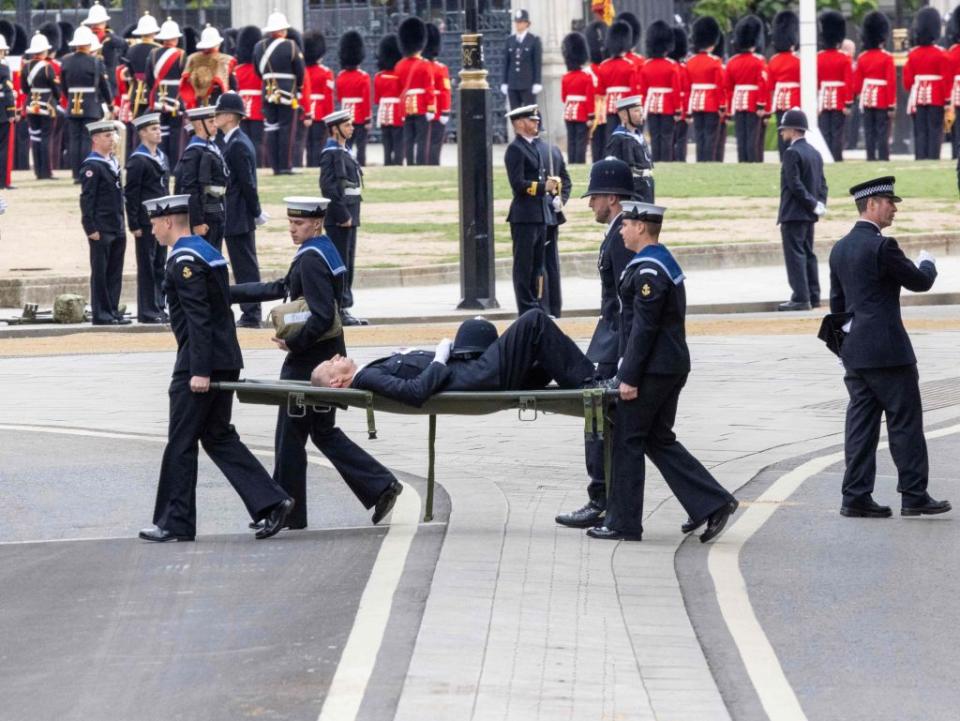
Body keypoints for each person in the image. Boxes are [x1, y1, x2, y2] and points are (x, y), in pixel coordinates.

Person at [230, 197, 404, 529]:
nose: (292, 230)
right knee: (322, 431)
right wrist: (230, 293)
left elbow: (323, 316)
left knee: (290, 435)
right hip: (327, 355)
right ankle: (381, 484)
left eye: (299, 225)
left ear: (316, 223)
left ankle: (283, 510)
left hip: (310, 362)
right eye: (290, 224)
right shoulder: (324, 249)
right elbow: (281, 287)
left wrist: (291, 342)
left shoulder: (311, 259)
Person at [138, 194, 294, 542]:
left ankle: (174, 522)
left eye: (154, 224)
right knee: (217, 436)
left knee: (180, 441)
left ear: (167, 222)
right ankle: (272, 501)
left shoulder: (184, 260)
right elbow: (222, 297)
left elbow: (199, 318)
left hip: (199, 360)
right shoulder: (207, 251)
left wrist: (199, 371)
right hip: (224, 358)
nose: (152, 230)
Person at [586, 200, 738, 543]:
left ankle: (622, 523)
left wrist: (628, 378)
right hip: (667, 367)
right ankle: (712, 503)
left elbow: (644, 329)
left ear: (641, 227)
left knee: (628, 439)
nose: (621, 229)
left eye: (626, 224)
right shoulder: (656, 262)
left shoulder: (650, 270)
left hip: (654, 370)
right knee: (657, 438)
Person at [829, 177, 950, 519]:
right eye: (889, 201)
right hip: (889, 351)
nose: (894, 208)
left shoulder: (839, 248)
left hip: (856, 352)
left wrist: (845, 351)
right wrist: (928, 262)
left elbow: (837, 307)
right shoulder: (883, 246)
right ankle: (913, 494)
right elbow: (920, 282)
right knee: (905, 423)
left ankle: (855, 496)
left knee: (861, 427)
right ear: (871, 205)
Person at [555, 159, 634, 530]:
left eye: (596, 197)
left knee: (598, 424)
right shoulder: (618, 229)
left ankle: (599, 498)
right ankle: (604, 497)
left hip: (612, 345)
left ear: (613, 197)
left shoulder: (622, 236)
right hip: (608, 341)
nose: (590, 204)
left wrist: (621, 358)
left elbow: (624, 301)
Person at [310, 309, 598, 408]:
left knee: (537, 348)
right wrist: (439, 357)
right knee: (533, 320)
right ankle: (591, 382)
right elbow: (414, 393)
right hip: (475, 377)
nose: (335, 356)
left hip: (473, 371)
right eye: (330, 363)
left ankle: (587, 380)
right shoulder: (367, 378)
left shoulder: (368, 371)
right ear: (337, 383)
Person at [215, 92, 266, 329]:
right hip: (236, 213)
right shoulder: (233, 142)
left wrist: (255, 211)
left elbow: (247, 183)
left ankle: (252, 312)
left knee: (245, 266)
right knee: (243, 264)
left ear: (231, 117)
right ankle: (250, 310)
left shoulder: (237, 144)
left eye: (220, 113)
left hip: (238, 214)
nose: (216, 117)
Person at [504, 104, 556, 315]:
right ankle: (526, 306)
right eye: (531, 120)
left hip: (539, 213)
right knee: (524, 266)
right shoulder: (515, 149)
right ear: (519, 123)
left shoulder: (533, 146)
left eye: (536, 120)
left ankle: (536, 303)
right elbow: (518, 184)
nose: (536, 123)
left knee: (537, 265)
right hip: (524, 215)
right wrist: (544, 187)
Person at [319, 109, 367, 326]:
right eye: (347, 125)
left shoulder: (343, 151)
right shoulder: (331, 153)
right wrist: (342, 214)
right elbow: (328, 187)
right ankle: (340, 306)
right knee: (341, 263)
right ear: (335, 129)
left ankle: (345, 305)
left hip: (351, 213)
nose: (351, 128)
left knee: (348, 261)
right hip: (341, 216)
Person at [776, 109, 827, 312]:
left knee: (795, 255)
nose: (781, 133)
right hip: (809, 214)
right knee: (808, 254)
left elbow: (794, 184)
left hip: (793, 213)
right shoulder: (814, 152)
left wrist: (810, 202)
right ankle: (813, 296)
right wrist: (818, 203)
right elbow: (822, 183)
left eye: (784, 129)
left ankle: (800, 297)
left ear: (793, 130)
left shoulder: (792, 153)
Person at [80, 120, 128, 326]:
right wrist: (90, 227)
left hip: (116, 224)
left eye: (112, 135)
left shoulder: (112, 161)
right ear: (95, 139)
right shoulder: (92, 165)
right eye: (107, 136)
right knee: (100, 272)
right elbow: (87, 199)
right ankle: (102, 313)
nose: (112, 139)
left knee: (115, 271)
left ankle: (112, 309)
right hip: (101, 227)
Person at [123, 113, 169, 324]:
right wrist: (133, 223)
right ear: (142, 133)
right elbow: (131, 194)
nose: (158, 133)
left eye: (159, 129)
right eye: (153, 129)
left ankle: (159, 305)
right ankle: (147, 310)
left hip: (163, 219)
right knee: (147, 266)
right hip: (145, 221)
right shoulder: (137, 160)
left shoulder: (161, 156)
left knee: (160, 263)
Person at [253, 11, 305, 175]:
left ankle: (275, 166)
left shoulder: (258, 46)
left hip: (267, 90)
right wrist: (300, 88)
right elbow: (300, 71)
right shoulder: (291, 45)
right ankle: (285, 165)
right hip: (287, 91)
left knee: (271, 128)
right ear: (283, 30)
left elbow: (257, 71)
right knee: (287, 129)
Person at [59, 25, 112, 183]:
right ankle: (86, 172)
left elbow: (63, 86)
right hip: (90, 105)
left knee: (74, 140)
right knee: (87, 140)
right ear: (89, 44)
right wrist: (110, 103)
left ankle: (76, 174)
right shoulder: (95, 62)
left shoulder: (66, 61)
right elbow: (103, 85)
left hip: (72, 103)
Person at [174, 105, 226, 251]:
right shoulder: (194, 151)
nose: (215, 124)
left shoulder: (209, 146)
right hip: (206, 216)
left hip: (216, 211)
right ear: (199, 125)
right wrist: (197, 222)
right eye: (210, 122)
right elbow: (191, 188)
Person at [904, 7, 950, 160]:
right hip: (936, 96)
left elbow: (908, 81)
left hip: (917, 96)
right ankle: (933, 157)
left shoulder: (913, 54)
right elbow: (945, 79)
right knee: (935, 129)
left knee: (920, 130)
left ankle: (920, 156)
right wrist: (947, 100)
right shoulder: (941, 53)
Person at [854, 11, 896, 162]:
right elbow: (890, 83)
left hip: (866, 98)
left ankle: (870, 157)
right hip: (882, 99)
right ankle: (884, 156)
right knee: (882, 130)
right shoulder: (887, 57)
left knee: (869, 131)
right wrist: (891, 105)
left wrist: (859, 95)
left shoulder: (862, 58)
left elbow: (857, 84)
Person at [637, 21, 681, 162]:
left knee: (654, 137)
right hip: (668, 106)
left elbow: (643, 91)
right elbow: (676, 90)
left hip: (651, 106)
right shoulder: (672, 66)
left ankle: (655, 162)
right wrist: (677, 110)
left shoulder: (645, 66)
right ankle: (666, 163)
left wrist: (642, 108)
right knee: (667, 137)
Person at [725, 15, 767, 163]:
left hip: (738, 102)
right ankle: (753, 161)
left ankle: (742, 161)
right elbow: (762, 84)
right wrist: (762, 104)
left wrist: (729, 108)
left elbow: (728, 88)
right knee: (752, 136)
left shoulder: (732, 62)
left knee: (741, 136)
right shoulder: (758, 61)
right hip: (753, 102)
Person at [536, 135, 570, 318]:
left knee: (539, 264)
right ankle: (554, 306)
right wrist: (560, 201)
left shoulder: (533, 151)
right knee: (551, 263)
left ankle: (544, 306)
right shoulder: (554, 150)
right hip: (553, 213)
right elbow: (566, 181)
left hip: (539, 215)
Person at [21, 31, 61, 180]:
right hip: (46, 105)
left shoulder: (26, 67)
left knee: (36, 137)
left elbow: (24, 88)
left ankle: (38, 171)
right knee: (46, 138)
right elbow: (56, 88)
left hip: (31, 104)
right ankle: (46, 172)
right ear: (44, 50)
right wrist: (56, 99)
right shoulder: (47, 67)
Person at [145, 17, 186, 163]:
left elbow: (149, 78)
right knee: (175, 133)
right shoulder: (181, 54)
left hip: (158, 97)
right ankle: (174, 164)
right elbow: (185, 78)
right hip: (176, 98)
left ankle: (161, 163)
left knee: (159, 131)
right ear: (175, 38)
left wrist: (155, 93)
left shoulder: (153, 53)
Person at [395, 17, 435, 166]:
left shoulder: (399, 65)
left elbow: (399, 89)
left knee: (408, 138)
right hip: (421, 105)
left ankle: (410, 163)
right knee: (422, 138)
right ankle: (421, 163)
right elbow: (429, 88)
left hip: (406, 106)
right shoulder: (425, 65)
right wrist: (431, 108)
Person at [686, 16, 726, 163]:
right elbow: (720, 86)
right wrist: (722, 106)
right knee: (710, 135)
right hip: (711, 103)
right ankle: (708, 161)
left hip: (696, 102)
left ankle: (700, 161)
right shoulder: (715, 62)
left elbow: (687, 86)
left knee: (699, 135)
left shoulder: (690, 62)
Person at [817, 11, 853, 162]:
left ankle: (825, 157)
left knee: (825, 130)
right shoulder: (844, 58)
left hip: (823, 98)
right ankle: (836, 157)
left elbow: (817, 81)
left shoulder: (818, 57)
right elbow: (848, 83)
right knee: (838, 132)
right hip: (839, 99)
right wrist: (848, 103)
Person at [605, 95, 654, 202]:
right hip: (632, 187)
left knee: (649, 217)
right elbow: (612, 167)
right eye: (636, 111)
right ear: (624, 115)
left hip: (647, 184)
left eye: (641, 110)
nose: (641, 114)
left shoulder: (639, 135)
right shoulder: (618, 138)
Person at [767, 11, 800, 159]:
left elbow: (771, 85)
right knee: (796, 132)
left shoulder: (773, 60)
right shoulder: (797, 60)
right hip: (795, 99)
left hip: (779, 101)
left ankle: (783, 158)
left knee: (782, 131)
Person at [180, 25, 236, 110]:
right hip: (218, 102)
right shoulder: (225, 60)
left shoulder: (192, 59)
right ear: (218, 44)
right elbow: (233, 85)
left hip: (198, 103)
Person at [336, 31, 370, 167]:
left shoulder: (340, 76)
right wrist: (368, 119)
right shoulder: (363, 76)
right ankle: (361, 165)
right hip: (361, 116)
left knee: (346, 144)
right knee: (361, 146)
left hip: (345, 115)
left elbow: (338, 97)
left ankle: (346, 165)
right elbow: (366, 100)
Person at [596, 21, 637, 133]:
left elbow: (600, 90)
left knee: (612, 136)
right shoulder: (629, 65)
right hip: (626, 106)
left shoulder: (604, 66)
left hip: (610, 106)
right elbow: (634, 90)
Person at [560, 32, 594, 165]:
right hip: (581, 113)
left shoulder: (566, 77)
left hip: (569, 113)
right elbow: (589, 98)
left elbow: (563, 98)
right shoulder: (586, 77)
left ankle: (571, 162)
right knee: (581, 140)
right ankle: (579, 163)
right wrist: (590, 116)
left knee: (571, 139)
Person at [234, 26, 265, 167]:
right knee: (258, 141)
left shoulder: (237, 70)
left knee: (243, 141)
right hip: (258, 107)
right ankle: (258, 166)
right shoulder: (261, 70)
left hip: (241, 109)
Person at [302, 30, 332, 167]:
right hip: (320, 113)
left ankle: (309, 166)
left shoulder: (301, 70)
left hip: (303, 112)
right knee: (318, 144)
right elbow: (328, 98)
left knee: (307, 144)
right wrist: (330, 117)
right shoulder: (325, 72)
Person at [501, 9, 542, 109]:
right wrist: (504, 82)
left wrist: (537, 82)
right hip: (513, 84)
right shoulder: (509, 40)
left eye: (521, 22)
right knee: (516, 116)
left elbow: (537, 63)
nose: (518, 25)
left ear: (526, 23)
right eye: (517, 22)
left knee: (529, 114)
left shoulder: (533, 40)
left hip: (527, 84)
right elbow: (506, 63)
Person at [374, 34, 404, 167]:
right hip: (398, 111)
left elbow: (376, 99)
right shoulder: (400, 75)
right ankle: (398, 162)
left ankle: (387, 162)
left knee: (386, 141)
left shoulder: (379, 76)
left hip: (384, 111)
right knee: (398, 140)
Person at [424, 23, 451, 166]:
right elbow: (445, 91)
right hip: (438, 110)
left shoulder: (419, 67)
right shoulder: (441, 68)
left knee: (425, 142)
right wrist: (445, 111)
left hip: (423, 110)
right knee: (435, 142)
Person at [584, 20, 609, 162]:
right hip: (594, 110)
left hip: (608, 109)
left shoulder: (606, 66)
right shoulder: (588, 71)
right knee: (596, 141)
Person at [669, 26, 690, 162]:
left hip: (666, 107)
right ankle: (681, 160)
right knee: (682, 138)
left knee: (669, 138)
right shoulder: (683, 68)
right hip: (681, 107)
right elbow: (687, 90)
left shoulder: (668, 66)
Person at [0, 30, 15, 189]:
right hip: (2, 112)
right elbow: (8, 92)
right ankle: (2, 181)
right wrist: (11, 111)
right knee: (3, 148)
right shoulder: (3, 68)